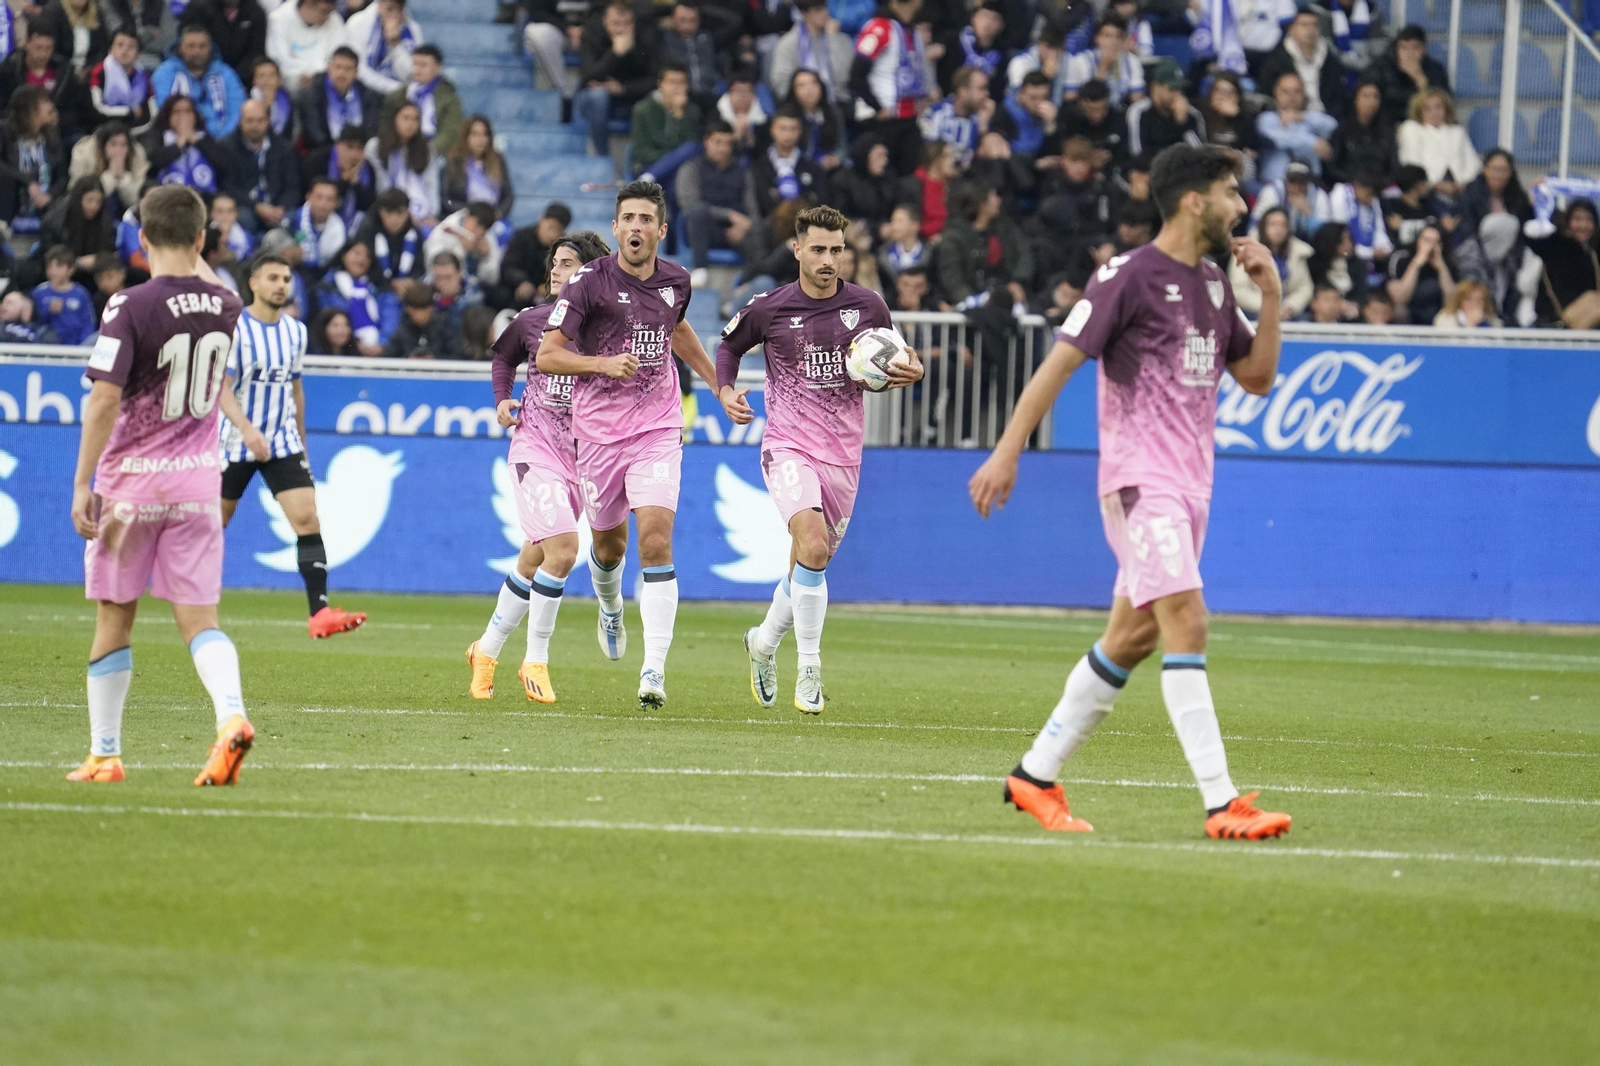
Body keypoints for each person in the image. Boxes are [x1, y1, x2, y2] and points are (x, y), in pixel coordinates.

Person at [967, 143, 1293, 841]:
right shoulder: (1127, 277)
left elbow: (1258, 378)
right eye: (1232, 193)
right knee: (1189, 620)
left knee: (1134, 636)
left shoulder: (1212, 281)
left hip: (1192, 486)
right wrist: (1006, 451)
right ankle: (1221, 802)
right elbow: (1058, 365)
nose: (1244, 207)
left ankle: (1034, 774)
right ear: (1193, 200)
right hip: (1140, 484)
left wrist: (1270, 296)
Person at [66, 183, 253, 787]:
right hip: (198, 487)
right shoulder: (226, 303)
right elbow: (203, 277)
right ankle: (231, 717)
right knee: (201, 620)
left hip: (130, 492)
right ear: (202, 239)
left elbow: (103, 400)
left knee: (114, 618)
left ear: (142, 240)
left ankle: (105, 755)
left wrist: (81, 483)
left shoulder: (129, 304)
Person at [533, 180, 738, 709]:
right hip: (598, 434)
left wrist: (719, 386)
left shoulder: (676, 280)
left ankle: (654, 670)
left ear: (661, 230)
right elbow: (549, 356)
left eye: (647, 219)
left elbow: (678, 330)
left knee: (654, 539)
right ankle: (610, 606)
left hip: (657, 426)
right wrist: (600, 362)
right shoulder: (587, 284)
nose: (637, 228)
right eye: (628, 218)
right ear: (616, 227)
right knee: (608, 548)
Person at [717, 204, 922, 713]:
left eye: (836, 250)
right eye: (819, 250)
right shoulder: (770, 307)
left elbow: (895, 357)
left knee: (812, 560)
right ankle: (809, 672)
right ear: (797, 250)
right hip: (787, 444)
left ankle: (762, 645)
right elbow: (728, 347)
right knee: (810, 542)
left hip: (843, 455)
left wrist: (910, 369)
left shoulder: (869, 306)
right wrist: (725, 391)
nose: (829, 260)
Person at [467, 229, 613, 702]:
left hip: (583, 461)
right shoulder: (533, 320)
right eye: (554, 261)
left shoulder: (609, 329)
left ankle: (485, 651)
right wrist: (501, 400)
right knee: (566, 550)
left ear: (590, 274)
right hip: (535, 449)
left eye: (567, 263)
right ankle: (536, 660)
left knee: (535, 557)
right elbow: (503, 358)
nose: (555, 269)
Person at [214, 252, 368, 639]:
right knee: (214, 523)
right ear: (253, 283)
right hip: (235, 440)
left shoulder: (295, 332)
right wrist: (247, 429)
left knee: (307, 519)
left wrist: (300, 441)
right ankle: (191, 593)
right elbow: (222, 388)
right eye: (273, 278)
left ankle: (319, 612)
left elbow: (295, 389)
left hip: (281, 441)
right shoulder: (235, 329)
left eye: (286, 278)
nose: (282, 284)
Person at [851, 0, 936, 176]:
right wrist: (878, 107)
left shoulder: (912, 32)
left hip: (909, 118)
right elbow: (856, 76)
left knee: (911, 177)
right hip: (882, 120)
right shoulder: (879, 29)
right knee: (880, 177)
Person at [677, 118, 759, 286]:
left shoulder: (743, 172)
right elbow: (689, 206)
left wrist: (746, 225)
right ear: (706, 141)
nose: (723, 148)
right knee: (698, 211)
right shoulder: (691, 168)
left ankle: (746, 287)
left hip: (738, 231)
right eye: (717, 142)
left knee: (761, 234)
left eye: (727, 143)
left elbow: (753, 208)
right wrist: (729, 216)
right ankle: (700, 269)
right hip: (706, 230)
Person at [575, 0, 656, 164]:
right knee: (598, 96)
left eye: (626, 23)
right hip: (592, 99)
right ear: (605, 22)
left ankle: (643, 161)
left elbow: (655, 79)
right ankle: (602, 159)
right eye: (615, 23)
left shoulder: (644, 37)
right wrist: (615, 53)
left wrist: (622, 89)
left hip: (630, 96)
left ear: (633, 23)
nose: (621, 29)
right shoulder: (591, 34)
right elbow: (587, 76)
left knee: (659, 96)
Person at [938, 179, 1033, 308]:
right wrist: (971, 301)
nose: (999, 201)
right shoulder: (954, 236)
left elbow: (1024, 255)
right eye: (994, 196)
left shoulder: (1006, 228)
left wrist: (1018, 282)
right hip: (970, 303)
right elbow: (952, 277)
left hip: (1005, 297)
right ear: (982, 204)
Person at [222, 98, 304, 234]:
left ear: (268, 121)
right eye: (250, 121)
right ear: (240, 121)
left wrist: (281, 208)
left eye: (260, 120)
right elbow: (228, 186)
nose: (255, 126)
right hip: (247, 206)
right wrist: (257, 207)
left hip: (278, 207)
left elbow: (293, 186)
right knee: (244, 219)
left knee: (293, 219)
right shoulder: (227, 148)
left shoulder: (284, 148)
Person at [153, 25, 249, 138]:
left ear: (210, 48)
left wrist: (224, 137)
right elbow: (165, 108)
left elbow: (239, 109)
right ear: (180, 48)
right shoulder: (165, 72)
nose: (197, 51)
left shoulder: (225, 72)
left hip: (224, 141)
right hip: (179, 138)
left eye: (202, 46)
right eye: (191, 46)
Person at [1258, 5, 1347, 119]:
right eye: (1304, 25)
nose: (1310, 30)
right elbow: (1268, 95)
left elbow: (1338, 98)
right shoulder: (1275, 61)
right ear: (1292, 28)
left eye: (1314, 25)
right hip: (1286, 118)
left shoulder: (1331, 61)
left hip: (1324, 118)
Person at [1523, 197, 1600, 329]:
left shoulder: (1595, 252)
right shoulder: (1556, 245)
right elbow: (1530, 235)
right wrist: (1534, 201)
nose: (1583, 225)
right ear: (1568, 222)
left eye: (1588, 220)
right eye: (1577, 219)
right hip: (1553, 325)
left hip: (1590, 326)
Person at [0, 85, 68, 230]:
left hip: (46, 208)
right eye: (43, 101)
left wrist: (49, 196)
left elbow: (62, 177)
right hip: (12, 205)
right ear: (27, 108)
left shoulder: (51, 135)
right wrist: (28, 182)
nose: (50, 105)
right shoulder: (5, 132)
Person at [368, 100, 442, 226]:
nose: (410, 124)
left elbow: (431, 184)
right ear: (394, 120)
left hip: (422, 216)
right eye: (405, 118)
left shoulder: (426, 150)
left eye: (415, 119)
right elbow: (378, 183)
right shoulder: (375, 146)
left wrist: (431, 215)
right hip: (387, 212)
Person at [1230, 206, 1311, 319]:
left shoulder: (1298, 252)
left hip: (1288, 313)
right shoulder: (1245, 250)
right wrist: (1270, 305)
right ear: (1263, 227)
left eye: (1283, 225)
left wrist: (1289, 307)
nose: (1278, 230)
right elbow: (1238, 290)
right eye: (1273, 225)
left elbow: (1304, 287)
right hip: (1254, 311)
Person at [382, 43, 463, 155]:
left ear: (438, 67)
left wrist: (426, 152)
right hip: (398, 150)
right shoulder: (397, 96)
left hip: (435, 154)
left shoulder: (450, 100)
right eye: (415, 64)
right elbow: (386, 127)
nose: (417, 69)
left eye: (423, 65)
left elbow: (449, 134)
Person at [770, 0, 853, 108]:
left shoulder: (841, 39)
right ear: (805, 13)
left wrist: (832, 40)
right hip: (799, 106)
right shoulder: (787, 43)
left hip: (837, 102)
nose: (825, 13)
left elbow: (844, 76)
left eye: (825, 8)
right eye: (818, 10)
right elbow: (780, 81)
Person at [298, 45, 381, 152]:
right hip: (325, 153)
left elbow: (371, 131)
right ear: (329, 67)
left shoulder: (368, 96)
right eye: (338, 67)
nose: (341, 73)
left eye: (348, 69)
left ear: (356, 72)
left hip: (360, 152)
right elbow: (314, 133)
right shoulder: (312, 94)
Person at [1396, 88, 1478, 195]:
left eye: (1438, 107)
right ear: (1419, 111)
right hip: (1427, 189)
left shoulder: (1457, 131)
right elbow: (1411, 162)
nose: (1434, 113)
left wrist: (1463, 182)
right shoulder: (1411, 129)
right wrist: (1435, 184)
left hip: (1460, 187)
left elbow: (1473, 163)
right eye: (1427, 109)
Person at [142, 94, 227, 197]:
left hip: (206, 196)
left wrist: (197, 142)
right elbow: (154, 160)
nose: (183, 117)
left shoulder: (205, 138)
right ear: (168, 115)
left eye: (188, 111)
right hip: (168, 197)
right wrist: (179, 143)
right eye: (177, 112)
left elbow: (222, 166)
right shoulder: (157, 136)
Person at [752, 106, 826, 218]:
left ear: (800, 131)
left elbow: (820, 201)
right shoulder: (758, 167)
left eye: (793, 129)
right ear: (772, 130)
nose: (788, 134)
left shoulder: (812, 167)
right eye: (783, 128)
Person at [630, 64, 703, 177]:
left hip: (681, 167)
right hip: (649, 164)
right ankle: (650, 176)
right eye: (671, 82)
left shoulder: (692, 110)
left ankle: (649, 178)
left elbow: (692, 147)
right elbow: (641, 152)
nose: (676, 87)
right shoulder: (643, 109)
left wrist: (680, 117)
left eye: (681, 83)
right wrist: (671, 157)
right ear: (661, 84)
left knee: (692, 148)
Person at [313, 239, 383, 352]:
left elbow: (389, 320)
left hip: (378, 351)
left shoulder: (379, 289)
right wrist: (355, 343)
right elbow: (327, 322)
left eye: (367, 256)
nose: (361, 259)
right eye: (356, 253)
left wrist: (381, 344)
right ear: (344, 255)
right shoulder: (327, 287)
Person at [1372, 23, 1448, 127]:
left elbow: (1446, 103)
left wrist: (1422, 82)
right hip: (1390, 125)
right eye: (1404, 48)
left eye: (1414, 48)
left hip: (1425, 125)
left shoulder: (1435, 70)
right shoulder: (1383, 67)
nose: (1409, 54)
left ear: (1423, 49)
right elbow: (1385, 100)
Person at [40, 176, 116, 277]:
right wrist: (77, 262)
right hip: (64, 271)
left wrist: (98, 259)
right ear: (79, 199)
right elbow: (51, 255)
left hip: (94, 273)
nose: (94, 206)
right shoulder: (55, 222)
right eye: (90, 200)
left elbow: (110, 250)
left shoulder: (104, 219)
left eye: (99, 201)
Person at [355, 186, 426, 293]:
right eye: (388, 212)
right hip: (373, 288)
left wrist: (410, 281)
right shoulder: (367, 232)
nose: (394, 219)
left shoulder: (415, 234)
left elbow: (419, 266)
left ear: (407, 212)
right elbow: (364, 266)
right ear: (380, 212)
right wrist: (390, 283)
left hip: (406, 289)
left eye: (400, 212)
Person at [1126, 59, 1201, 159]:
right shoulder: (1139, 111)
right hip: (1149, 171)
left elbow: (1201, 155)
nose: (1177, 94)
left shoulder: (1192, 113)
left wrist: (1183, 124)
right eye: (1172, 89)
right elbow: (1136, 152)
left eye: (1181, 89)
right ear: (1155, 87)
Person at [69, 123, 148, 219]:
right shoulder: (85, 155)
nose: (118, 150)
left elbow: (135, 200)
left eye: (123, 145)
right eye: (113, 144)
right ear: (103, 146)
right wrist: (110, 175)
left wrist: (123, 177)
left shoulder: (136, 156)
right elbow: (81, 197)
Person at [443, 114, 514, 219]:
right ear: (465, 137)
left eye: (484, 134)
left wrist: (498, 213)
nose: (480, 139)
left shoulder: (498, 161)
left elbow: (508, 196)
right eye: (475, 134)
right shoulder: (454, 161)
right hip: (462, 218)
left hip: (492, 218)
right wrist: (469, 213)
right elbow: (445, 199)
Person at [500, 202, 571, 306]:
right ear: (541, 219)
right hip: (516, 288)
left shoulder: (564, 248)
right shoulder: (521, 237)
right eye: (550, 227)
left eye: (558, 230)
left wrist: (549, 287)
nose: (552, 234)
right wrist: (522, 282)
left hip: (545, 294)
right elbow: (508, 266)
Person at [180, 0, 271, 81]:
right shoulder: (197, 8)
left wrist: (232, 77)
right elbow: (185, 43)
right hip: (199, 74)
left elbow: (256, 52)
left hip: (242, 80)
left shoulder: (255, 12)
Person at [1063, 14, 1143, 107]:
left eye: (1118, 36)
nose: (1113, 42)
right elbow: (1070, 99)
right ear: (1097, 38)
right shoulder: (1080, 61)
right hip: (1085, 113)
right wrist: (1103, 67)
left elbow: (1137, 99)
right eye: (1107, 36)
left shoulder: (1132, 61)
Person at [345, 0, 421, 96]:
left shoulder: (412, 30)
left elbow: (412, 74)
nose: (394, 15)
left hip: (402, 96)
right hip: (366, 92)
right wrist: (396, 89)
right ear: (379, 5)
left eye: (399, 10)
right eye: (389, 9)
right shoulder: (358, 23)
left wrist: (395, 45)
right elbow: (359, 71)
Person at [1327, 77, 1394, 186]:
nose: (1371, 101)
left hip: (1379, 187)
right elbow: (1333, 167)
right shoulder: (1343, 130)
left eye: (1375, 97)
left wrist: (1378, 183)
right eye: (1366, 96)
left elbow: (1392, 167)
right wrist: (1355, 181)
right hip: (1349, 185)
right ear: (1355, 99)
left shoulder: (1388, 131)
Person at [920, 65, 992, 165]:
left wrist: (983, 127)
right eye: (981, 89)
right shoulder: (936, 114)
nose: (986, 94)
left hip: (967, 176)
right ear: (962, 92)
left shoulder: (980, 117)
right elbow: (928, 155)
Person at [267, 0, 346, 91]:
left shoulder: (334, 20)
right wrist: (300, 75)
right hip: (289, 84)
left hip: (324, 84)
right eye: (324, 11)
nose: (328, 18)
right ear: (308, 4)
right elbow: (279, 60)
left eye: (330, 11)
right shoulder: (279, 18)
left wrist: (316, 76)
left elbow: (340, 57)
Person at [1386, 222, 1455, 325]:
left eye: (1436, 242)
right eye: (1426, 240)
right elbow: (1399, 298)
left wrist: (1441, 268)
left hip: (1438, 311)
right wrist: (1417, 263)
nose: (1431, 246)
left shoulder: (1448, 261)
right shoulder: (1401, 257)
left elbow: (1453, 300)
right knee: (1399, 311)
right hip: (1409, 311)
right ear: (1417, 240)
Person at [1055, 78, 1125, 173]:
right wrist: (1087, 158)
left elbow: (1123, 152)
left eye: (1102, 109)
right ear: (1081, 104)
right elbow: (1062, 149)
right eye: (1092, 110)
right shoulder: (1068, 117)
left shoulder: (1117, 118)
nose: (1097, 115)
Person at [659, 2, 718, 113]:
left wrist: (701, 9)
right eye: (682, 20)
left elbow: (734, 21)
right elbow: (643, 18)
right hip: (682, 94)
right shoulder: (663, 37)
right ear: (672, 19)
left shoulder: (707, 37)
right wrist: (669, 9)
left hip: (709, 93)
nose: (687, 25)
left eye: (692, 20)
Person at [31, 243, 96, 342]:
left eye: (59, 266)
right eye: (49, 267)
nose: (53, 271)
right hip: (48, 345)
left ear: (71, 269)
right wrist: (49, 312)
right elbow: (34, 322)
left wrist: (83, 347)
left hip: (79, 346)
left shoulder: (81, 293)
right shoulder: (39, 292)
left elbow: (88, 323)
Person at [937, 0, 1006, 93]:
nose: (988, 23)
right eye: (984, 16)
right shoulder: (952, 41)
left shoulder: (1001, 56)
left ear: (1001, 25)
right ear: (973, 18)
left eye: (994, 19)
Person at [88, 28, 152, 127]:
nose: (125, 51)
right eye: (120, 45)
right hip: (104, 128)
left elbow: (150, 111)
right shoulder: (99, 72)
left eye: (131, 47)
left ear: (137, 54)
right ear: (110, 50)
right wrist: (128, 112)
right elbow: (97, 109)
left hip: (137, 129)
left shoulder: (144, 77)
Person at [286, 175, 346, 274]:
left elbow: (329, 265)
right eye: (319, 197)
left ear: (336, 203)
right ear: (308, 197)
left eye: (329, 199)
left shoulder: (338, 231)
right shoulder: (292, 218)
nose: (323, 204)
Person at [384, 280, 461, 357]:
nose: (419, 315)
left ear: (431, 308)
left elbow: (457, 355)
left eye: (423, 309)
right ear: (408, 309)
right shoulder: (402, 331)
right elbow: (388, 357)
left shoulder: (445, 328)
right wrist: (408, 359)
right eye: (415, 309)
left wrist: (435, 358)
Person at [249, 56, 295, 139]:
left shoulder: (289, 102)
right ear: (254, 80)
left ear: (279, 80)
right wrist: (265, 107)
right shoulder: (246, 104)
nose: (266, 81)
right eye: (262, 76)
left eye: (271, 76)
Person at [1433, 277, 1498, 329]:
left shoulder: (1493, 322)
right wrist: (1471, 324)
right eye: (1469, 299)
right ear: (1459, 300)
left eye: (1479, 300)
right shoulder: (1445, 319)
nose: (1474, 303)